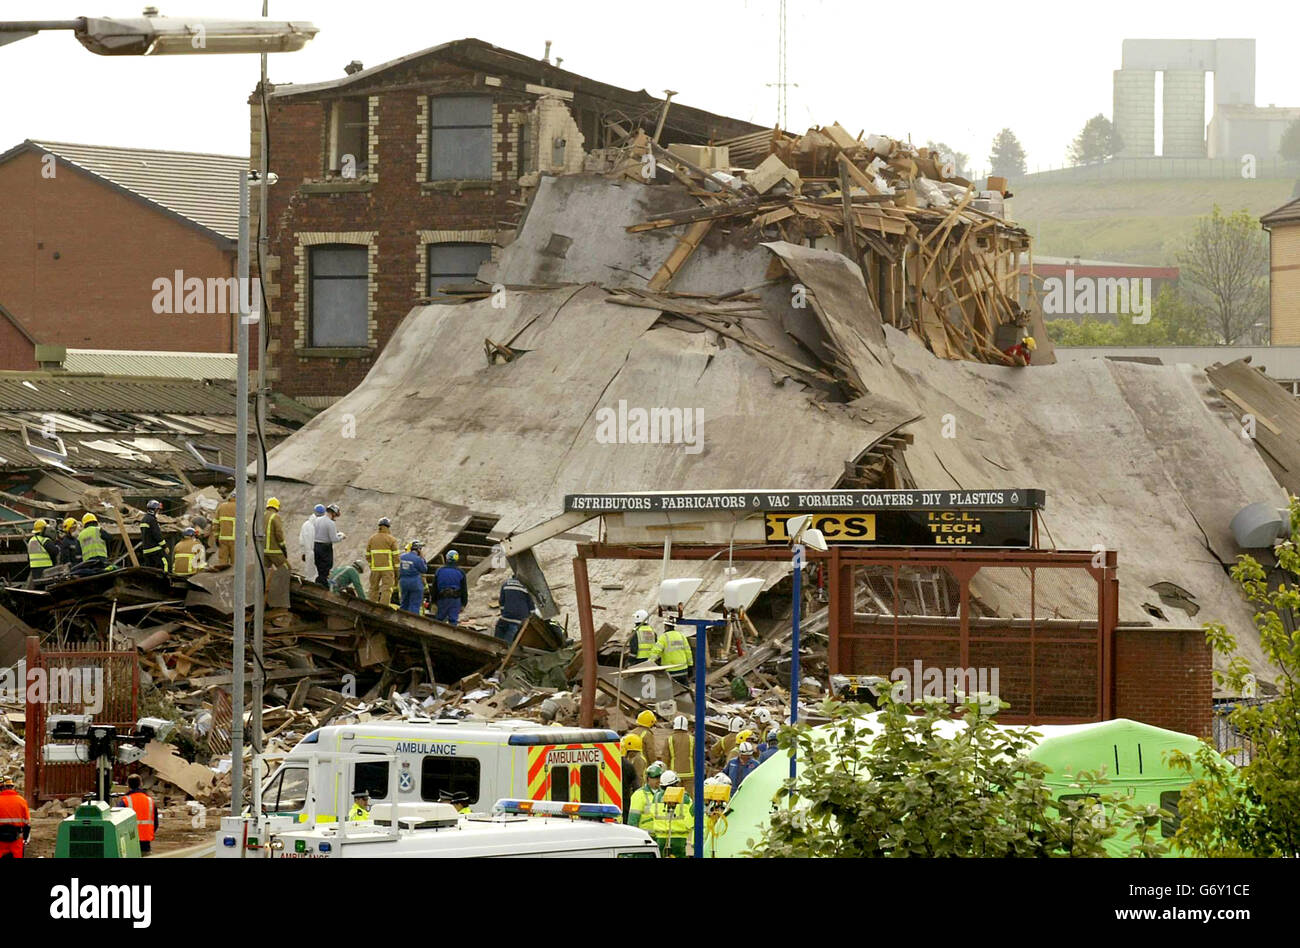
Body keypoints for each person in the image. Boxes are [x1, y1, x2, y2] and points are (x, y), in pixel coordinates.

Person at [646, 769, 693, 858]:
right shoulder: (685, 797)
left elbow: (652, 813)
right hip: (679, 839)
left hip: (661, 839)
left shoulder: (656, 797)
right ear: (675, 783)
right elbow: (690, 816)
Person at [119, 773, 158, 855]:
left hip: (129, 839)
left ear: (128, 785)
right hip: (146, 841)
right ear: (141, 784)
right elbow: (156, 823)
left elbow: (118, 822)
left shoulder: (125, 801)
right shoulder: (150, 801)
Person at [365, 517, 400, 604]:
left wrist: (371, 565)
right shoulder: (391, 539)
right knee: (386, 589)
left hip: (375, 569)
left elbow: (367, 555)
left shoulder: (372, 539)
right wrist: (397, 572)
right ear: (388, 527)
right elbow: (396, 557)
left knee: (373, 588)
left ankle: (370, 606)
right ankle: (383, 608)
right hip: (387, 569)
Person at [650, 619, 693, 686]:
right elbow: (688, 652)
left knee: (671, 692)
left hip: (670, 671)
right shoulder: (681, 636)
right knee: (685, 691)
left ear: (665, 626)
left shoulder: (664, 637)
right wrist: (690, 665)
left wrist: (649, 663)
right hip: (683, 669)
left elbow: (655, 651)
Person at [494, 574, 534, 642]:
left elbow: (501, 602)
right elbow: (531, 606)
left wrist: (504, 613)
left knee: (497, 641)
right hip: (518, 621)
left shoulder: (506, 584)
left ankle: (495, 647)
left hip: (505, 618)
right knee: (508, 644)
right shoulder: (526, 587)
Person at [313, 503, 345, 588]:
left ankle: (318, 583)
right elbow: (334, 539)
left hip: (315, 545)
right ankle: (323, 586)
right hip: (325, 548)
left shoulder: (317, 520)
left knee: (319, 567)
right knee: (326, 568)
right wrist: (341, 536)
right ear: (334, 513)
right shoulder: (330, 523)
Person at [432, 550, 468, 624]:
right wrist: (464, 603)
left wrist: (433, 601)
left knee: (439, 620)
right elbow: (464, 589)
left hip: (442, 599)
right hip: (455, 600)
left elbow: (434, 588)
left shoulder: (439, 571)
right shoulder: (460, 572)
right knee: (453, 620)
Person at [664, 714, 696, 797]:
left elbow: (665, 757)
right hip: (690, 774)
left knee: (675, 797)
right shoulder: (692, 739)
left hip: (674, 775)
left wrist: (665, 772)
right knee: (689, 798)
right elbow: (696, 757)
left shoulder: (669, 739)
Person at [0, 774, 30, 858]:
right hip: (16, 841)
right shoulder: (21, 801)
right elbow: (27, 824)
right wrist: (25, 838)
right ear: (12, 787)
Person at [72, 512, 109, 576]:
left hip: (88, 562)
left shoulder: (80, 535)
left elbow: (78, 552)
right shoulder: (98, 530)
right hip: (101, 559)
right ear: (95, 521)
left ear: (84, 524)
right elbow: (109, 538)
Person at [398, 540, 429, 614]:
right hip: (415, 582)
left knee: (404, 603)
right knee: (414, 604)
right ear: (418, 549)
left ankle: (401, 620)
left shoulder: (402, 557)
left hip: (403, 582)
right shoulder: (417, 559)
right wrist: (422, 558)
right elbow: (424, 569)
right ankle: (412, 622)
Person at [628, 762, 661, 828]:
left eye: (660, 777)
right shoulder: (639, 795)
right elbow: (633, 819)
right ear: (648, 779)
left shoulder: (664, 794)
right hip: (646, 836)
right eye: (656, 777)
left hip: (661, 836)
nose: (659, 780)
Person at [140, 500, 167, 571]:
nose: (159, 512)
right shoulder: (152, 520)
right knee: (164, 565)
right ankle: (164, 581)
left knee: (151, 571)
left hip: (146, 551)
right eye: (158, 510)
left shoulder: (143, 519)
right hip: (155, 551)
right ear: (155, 509)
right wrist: (165, 546)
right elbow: (157, 535)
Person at [263, 498, 288, 573]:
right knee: (286, 569)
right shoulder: (275, 517)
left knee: (264, 572)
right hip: (274, 550)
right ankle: (282, 585)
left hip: (262, 550)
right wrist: (283, 546)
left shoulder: (262, 516)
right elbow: (279, 533)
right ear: (277, 507)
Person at [620, 734, 643, 810]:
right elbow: (636, 785)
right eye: (635, 752)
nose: (636, 754)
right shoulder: (628, 766)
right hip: (625, 801)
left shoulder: (613, 761)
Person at [214, 491, 237, 568]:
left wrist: (216, 536)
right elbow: (244, 525)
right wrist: (245, 539)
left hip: (223, 538)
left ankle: (222, 578)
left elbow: (216, 523)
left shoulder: (222, 507)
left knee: (222, 562)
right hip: (236, 540)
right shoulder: (240, 508)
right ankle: (234, 579)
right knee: (235, 563)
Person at [299, 504, 324, 573]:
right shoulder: (323, 525)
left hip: (309, 554)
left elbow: (302, 541)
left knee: (310, 574)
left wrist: (303, 553)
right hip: (320, 554)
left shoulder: (306, 524)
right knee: (319, 574)